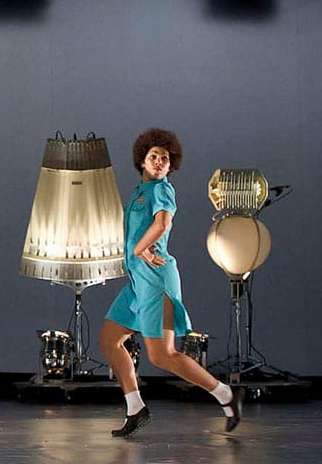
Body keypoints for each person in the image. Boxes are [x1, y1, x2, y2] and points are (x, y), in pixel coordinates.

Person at [100, 129, 242, 437]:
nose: (160, 162)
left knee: (162, 355)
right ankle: (135, 407)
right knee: (110, 340)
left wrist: (139, 249)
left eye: (165, 158)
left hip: (156, 280)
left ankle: (225, 394)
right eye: (154, 157)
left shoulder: (162, 190)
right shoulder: (140, 191)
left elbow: (163, 222)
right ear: (142, 160)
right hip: (137, 282)